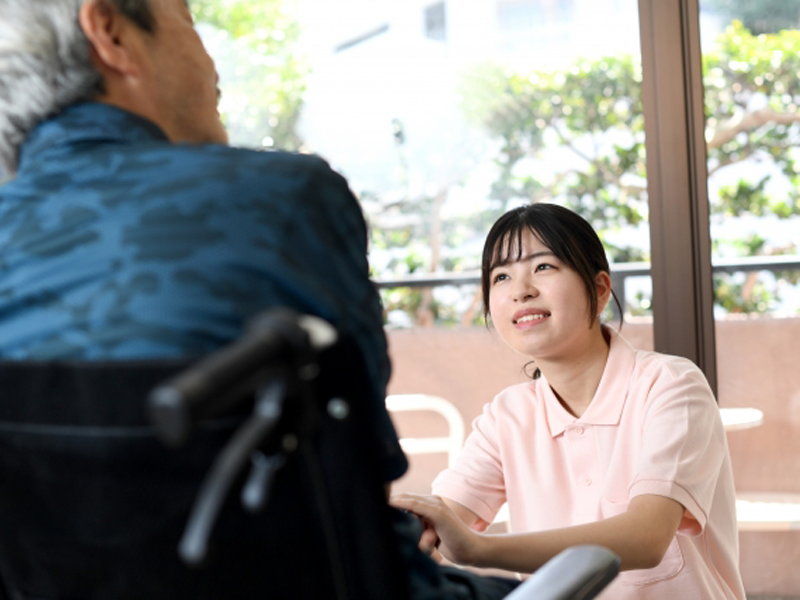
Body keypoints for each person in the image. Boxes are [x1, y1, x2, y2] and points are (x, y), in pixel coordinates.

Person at [0, 1, 522, 598]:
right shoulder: (283, 201)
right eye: (188, 21)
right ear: (111, 32)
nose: (211, 60)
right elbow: (361, 471)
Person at [393, 203, 746, 600]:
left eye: (543, 267)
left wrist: (479, 548)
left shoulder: (670, 385)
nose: (521, 290)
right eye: (501, 276)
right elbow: (442, 519)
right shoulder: (507, 416)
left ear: (598, 290)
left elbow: (648, 537)